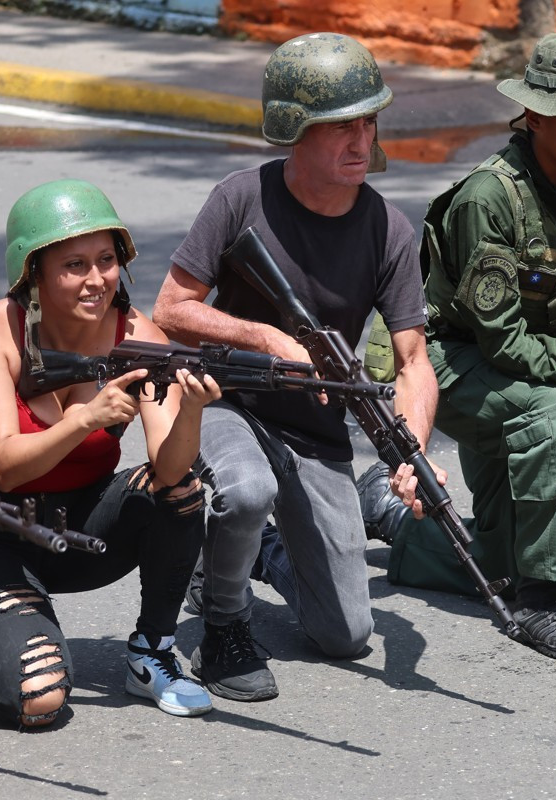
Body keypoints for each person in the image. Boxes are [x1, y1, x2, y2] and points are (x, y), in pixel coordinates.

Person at [359, 33, 556, 662]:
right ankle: (545, 600)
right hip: (447, 358)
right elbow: (503, 342)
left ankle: (394, 519)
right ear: (535, 115)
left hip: (534, 353)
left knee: (497, 560)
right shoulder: (489, 198)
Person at [151, 32, 437, 701]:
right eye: (341, 126)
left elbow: (413, 359)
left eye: (368, 122)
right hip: (229, 402)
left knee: (346, 634)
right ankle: (224, 627)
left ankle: (254, 553)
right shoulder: (240, 197)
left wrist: (412, 449)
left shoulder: (389, 230)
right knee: (247, 490)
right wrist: (265, 338)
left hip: (314, 430)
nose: (361, 142)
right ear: (294, 130)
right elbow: (170, 307)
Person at [0, 179, 220, 727]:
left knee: (182, 489)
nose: (97, 279)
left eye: (106, 260)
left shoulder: (136, 335)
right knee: (40, 700)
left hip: (77, 527)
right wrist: (86, 419)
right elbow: (4, 465)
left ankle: (152, 651)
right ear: (33, 272)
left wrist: (191, 411)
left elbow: (170, 470)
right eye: (74, 265)